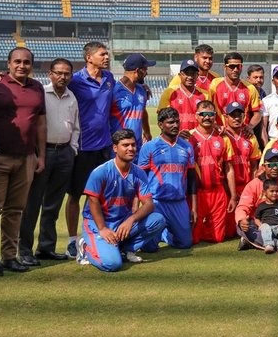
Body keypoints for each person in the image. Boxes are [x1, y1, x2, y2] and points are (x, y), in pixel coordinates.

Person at [0, 47, 46, 275]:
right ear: (8, 63)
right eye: (17, 61)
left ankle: (9, 256)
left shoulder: (37, 88)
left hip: (26, 157)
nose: (21, 65)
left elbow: (40, 124)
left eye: (26, 62)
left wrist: (41, 155)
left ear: (31, 66)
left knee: (15, 209)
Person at [19, 58, 80, 265]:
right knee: (32, 203)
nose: (63, 77)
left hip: (64, 154)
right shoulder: (40, 93)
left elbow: (76, 127)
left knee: (53, 205)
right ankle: (24, 249)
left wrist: (72, 149)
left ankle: (46, 248)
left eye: (67, 74)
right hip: (43, 152)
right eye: (59, 73)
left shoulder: (72, 96)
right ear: (50, 74)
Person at [77, 130, 166, 272]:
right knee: (113, 264)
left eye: (133, 145)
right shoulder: (101, 172)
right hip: (98, 223)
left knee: (158, 219)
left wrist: (130, 220)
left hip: (122, 221)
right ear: (115, 148)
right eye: (125, 145)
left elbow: (148, 204)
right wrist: (103, 228)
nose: (131, 149)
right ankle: (85, 248)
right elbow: (92, 201)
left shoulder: (138, 173)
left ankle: (125, 249)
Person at [65, 40, 114, 260]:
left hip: (104, 148)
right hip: (83, 148)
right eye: (102, 54)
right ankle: (72, 241)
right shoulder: (75, 81)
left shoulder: (109, 79)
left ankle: (95, 234)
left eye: (107, 54)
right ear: (89, 57)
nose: (107, 57)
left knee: (100, 196)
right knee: (75, 195)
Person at [138, 107, 197, 250]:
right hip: (156, 202)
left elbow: (192, 178)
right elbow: (140, 179)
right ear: (160, 125)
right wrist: (144, 204)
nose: (175, 125)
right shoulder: (149, 147)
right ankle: (159, 227)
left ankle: (165, 232)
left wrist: (193, 207)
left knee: (185, 244)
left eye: (177, 122)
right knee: (150, 248)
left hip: (179, 202)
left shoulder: (187, 147)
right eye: (170, 122)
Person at [190, 100, 237, 244]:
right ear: (196, 116)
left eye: (210, 114)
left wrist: (233, 196)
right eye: (202, 114)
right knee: (193, 239)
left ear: (215, 116)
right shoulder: (189, 137)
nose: (206, 117)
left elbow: (229, 168)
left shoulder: (223, 138)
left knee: (218, 238)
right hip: (197, 193)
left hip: (217, 192)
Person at [110, 53, 154, 152]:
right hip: (119, 147)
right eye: (145, 69)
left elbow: (142, 112)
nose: (147, 73)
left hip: (137, 146)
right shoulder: (114, 91)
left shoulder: (142, 90)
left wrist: (147, 132)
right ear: (138, 71)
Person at [209, 52, 262, 133]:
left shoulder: (250, 88)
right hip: (221, 133)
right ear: (225, 67)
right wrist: (215, 124)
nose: (235, 70)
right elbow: (208, 109)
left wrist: (250, 126)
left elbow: (257, 113)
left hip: (242, 134)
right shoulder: (215, 84)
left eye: (238, 66)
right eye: (232, 66)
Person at [158, 59, 210, 138]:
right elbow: (162, 118)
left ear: (197, 75)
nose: (190, 77)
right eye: (186, 74)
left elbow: (209, 119)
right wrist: (176, 133)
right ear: (180, 75)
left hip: (197, 139)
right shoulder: (169, 92)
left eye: (193, 74)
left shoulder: (205, 95)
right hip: (175, 138)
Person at [223, 101, 261, 198]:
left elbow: (254, 167)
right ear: (226, 117)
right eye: (233, 115)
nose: (236, 118)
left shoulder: (250, 137)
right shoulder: (221, 137)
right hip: (226, 189)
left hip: (246, 187)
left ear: (244, 117)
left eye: (239, 115)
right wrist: (230, 192)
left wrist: (252, 189)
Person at [254, 179, 278, 253]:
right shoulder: (261, 206)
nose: (275, 193)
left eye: (277, 191)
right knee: (265, 226)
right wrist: (260, 225)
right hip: (267, 228)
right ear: (264, 192)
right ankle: (268, 245)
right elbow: (256, 218)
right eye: (272, 191)